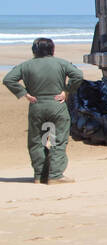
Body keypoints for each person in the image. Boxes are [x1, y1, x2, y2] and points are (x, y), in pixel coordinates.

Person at [4, 38, 84, 183]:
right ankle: (55, 175)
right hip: (57, 105)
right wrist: (67, 91)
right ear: (52, 50)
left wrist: (24, 94)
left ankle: (40, 175)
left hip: (37, 106)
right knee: (57, 140)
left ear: (34, 50)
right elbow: (78, 75)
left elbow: (8, 79)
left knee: (37, 141)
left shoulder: (26, 65)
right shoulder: (61, 63)